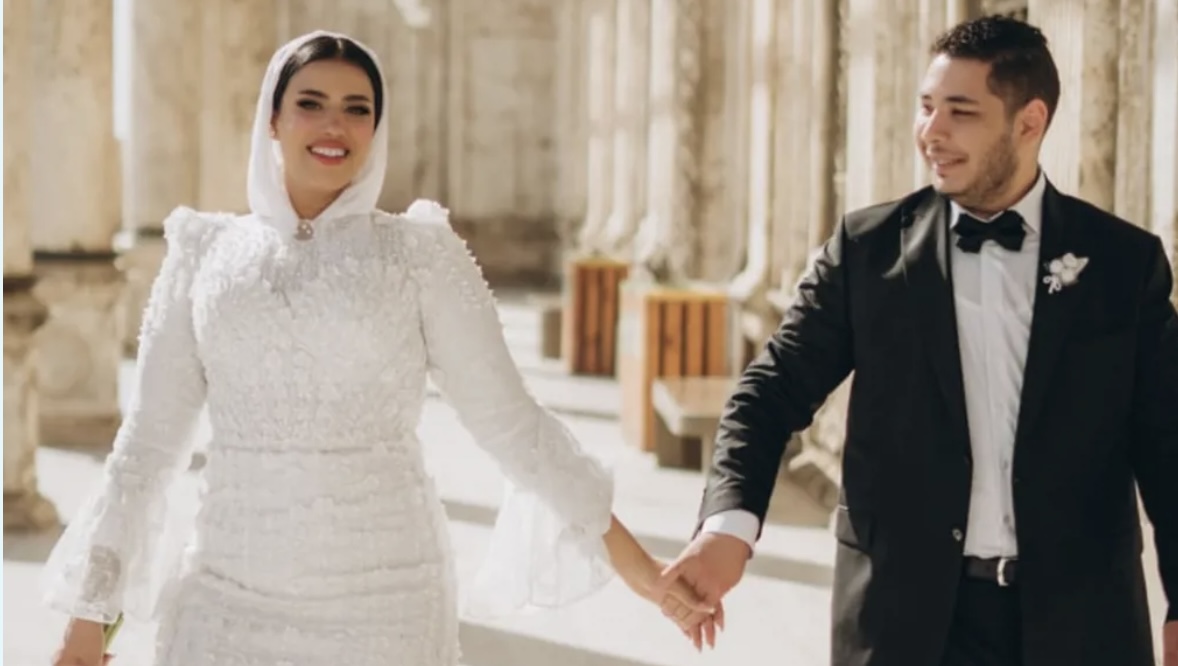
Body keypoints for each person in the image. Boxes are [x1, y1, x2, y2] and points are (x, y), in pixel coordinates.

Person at [44, 31, 710, 666]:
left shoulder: (419, 255)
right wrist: (88, 616)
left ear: (376, 127)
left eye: (357, 109)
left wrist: (644, 572)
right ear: (273, 119)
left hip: (386, 605)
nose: (334, 125)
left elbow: (512, 425)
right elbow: (148, 449)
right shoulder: (202, 254)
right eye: (311, 103)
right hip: (221, 600)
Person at [654, 15, 1177, 666]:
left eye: (961, 112)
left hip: (1082, 627)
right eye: (927, 106)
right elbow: (769, 393)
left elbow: (1167, 442)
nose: (932, 131)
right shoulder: (866, 252)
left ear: (1029, 123)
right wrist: (726, 528)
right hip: (904, 625)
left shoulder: (1124, 263)